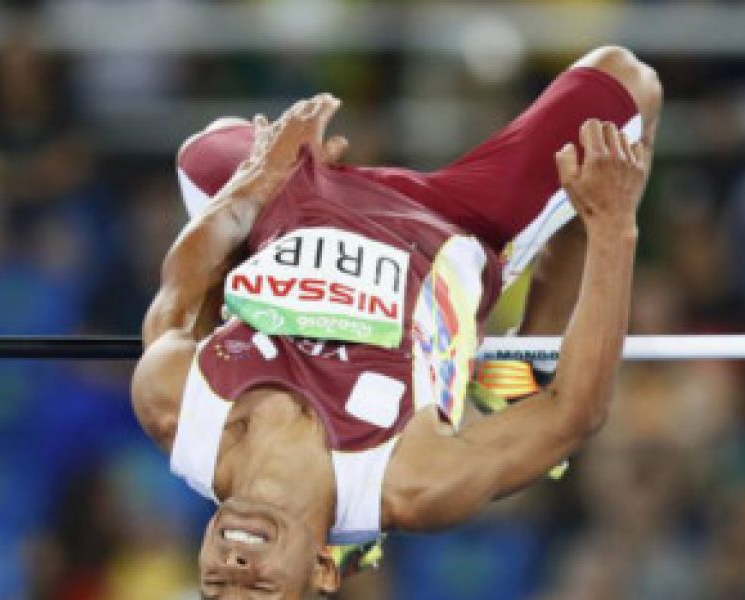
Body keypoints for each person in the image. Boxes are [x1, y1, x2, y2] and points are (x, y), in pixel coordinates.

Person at [131, 46, 661, 598]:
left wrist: (258, 178)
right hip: (459, 221)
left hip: (296, 198)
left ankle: (527, 332)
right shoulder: (411, 483)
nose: (237, 562)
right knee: (629, 83)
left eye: (217, 582)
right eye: (259, 590)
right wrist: (614, 227)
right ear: (323, 570)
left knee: (205, 148)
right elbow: (576, 412)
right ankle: (532, 339)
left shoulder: (174, 412)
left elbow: (179, 296)